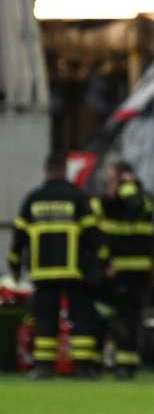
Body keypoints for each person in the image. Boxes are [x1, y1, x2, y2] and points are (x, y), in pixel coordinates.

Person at [7, 152, 104, 379]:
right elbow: (93, 236)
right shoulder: (77, 198)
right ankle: (82, 367)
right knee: (81, 318)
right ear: (63, 170)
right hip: (75, 271)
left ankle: (43, 367)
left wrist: (14, 266)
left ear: (47, 170)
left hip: (43, 272)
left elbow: (18, 238)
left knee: (45, 319)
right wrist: (99, 263)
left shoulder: (33, 199)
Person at [92, 160, 154, 379]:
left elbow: (136, 208)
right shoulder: (108, 201)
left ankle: (125, 364)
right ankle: (97, 362)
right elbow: (99, 231)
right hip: (111, 269)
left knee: (127, 318)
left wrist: (128, 187)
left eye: (113, 176)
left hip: (130, 271)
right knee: (105, 316)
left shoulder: (140, 199)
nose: (109, 181)